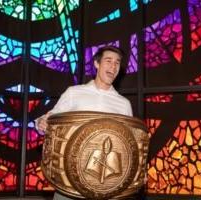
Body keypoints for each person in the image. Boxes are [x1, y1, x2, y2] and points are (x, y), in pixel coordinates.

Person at [36, 46, 133, 200]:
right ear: (97, 64)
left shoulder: (124, 104)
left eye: (117, 63)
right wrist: (42, 122)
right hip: (70, 181)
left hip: (106, 186)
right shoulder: (74, 93)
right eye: (108, 61)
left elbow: (127, 144)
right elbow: (52, 119)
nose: (113, 67)